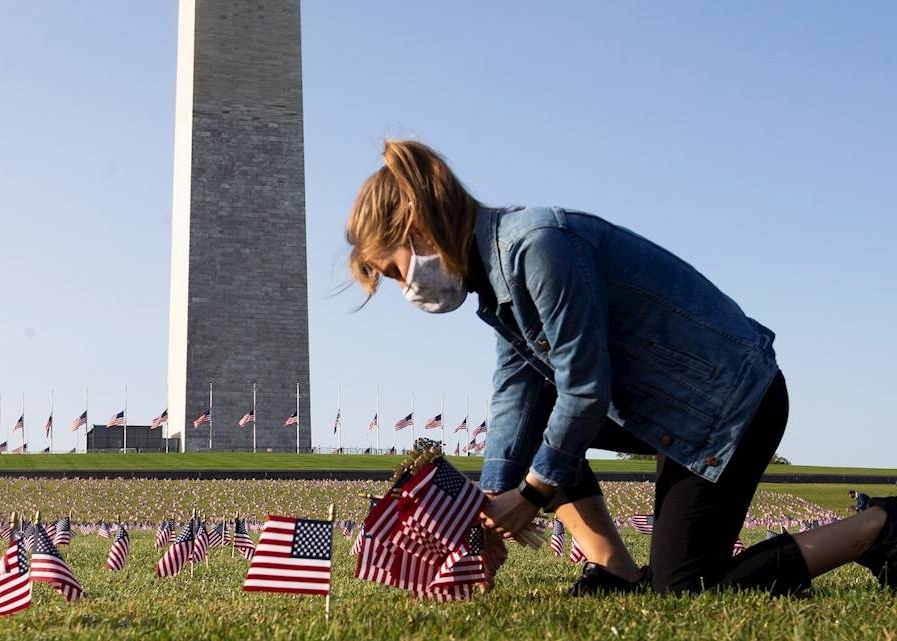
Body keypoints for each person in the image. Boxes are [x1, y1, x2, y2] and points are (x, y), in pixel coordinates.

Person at [344, 140, 896, 596]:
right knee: (539, 414)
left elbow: (584, 389)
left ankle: (878, 528)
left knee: (686, 590)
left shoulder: (538, 245)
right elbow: (516, 397)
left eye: (392, 271)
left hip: (729, 406)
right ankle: (618, 572)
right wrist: (489, 511)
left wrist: (531, 496)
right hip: (672, 414)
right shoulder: (497, 281)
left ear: (418, 226)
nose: (403, 288)